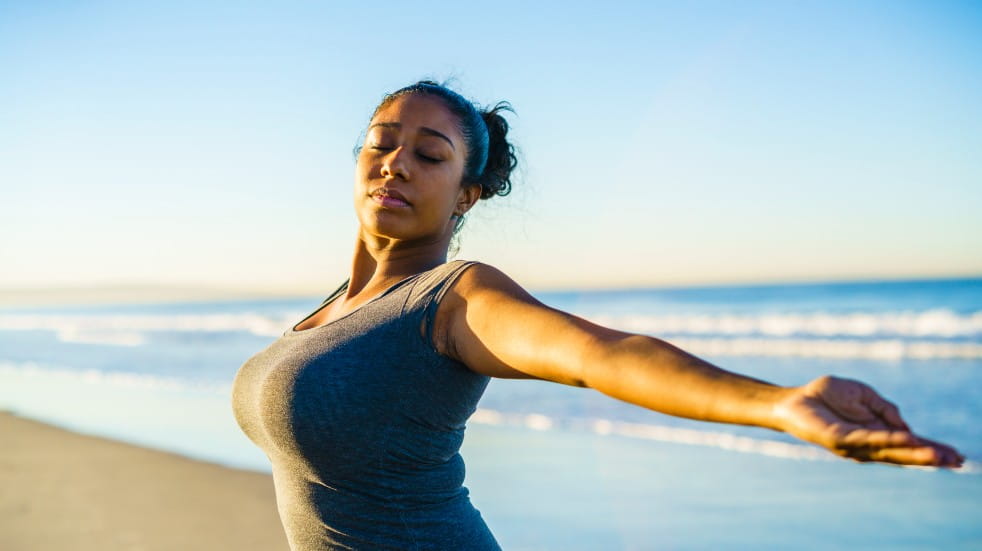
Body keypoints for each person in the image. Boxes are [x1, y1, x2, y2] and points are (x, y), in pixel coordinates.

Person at [231, 80, 964, 551]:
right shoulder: (334, 307)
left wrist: (777, 403)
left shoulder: (454, 298)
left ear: (466, 195)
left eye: (429, 154)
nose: (395, 163)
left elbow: (598, 353)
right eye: (382, 142)